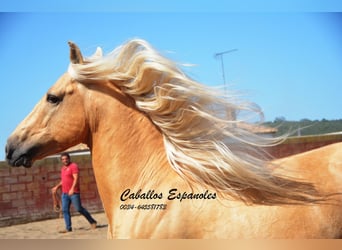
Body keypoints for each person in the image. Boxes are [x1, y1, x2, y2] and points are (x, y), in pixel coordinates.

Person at [51, 152, 97, 233]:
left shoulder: (73, 166)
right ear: (61, 160)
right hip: (64, 193)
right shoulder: (63, 169)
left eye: (66, 159)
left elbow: (76, 178)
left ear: (69, 158)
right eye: (63, 159)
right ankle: (68, 228)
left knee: (79, 209)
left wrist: (72, 188)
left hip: (74, 193)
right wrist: (57, 187)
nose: (65, 160)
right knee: (65, 210)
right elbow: (63, 180)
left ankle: (92, 222)